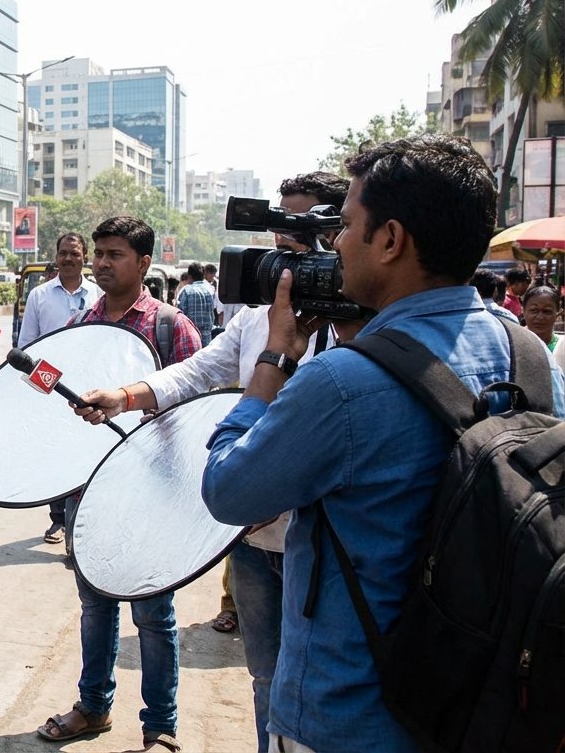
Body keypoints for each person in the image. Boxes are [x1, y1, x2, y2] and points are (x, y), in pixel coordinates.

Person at [202, 134, 565, 752]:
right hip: (487, 707)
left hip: (350, 717)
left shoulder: (342, 382)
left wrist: (272, 362)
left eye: (344, 226)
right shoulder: (532, 357)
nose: (334, 244)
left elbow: (229, 490)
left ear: (391, 240)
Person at [74, 172, 349, 752]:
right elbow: (199, 373)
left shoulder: (362, 327)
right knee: (267, 675)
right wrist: (126, 395)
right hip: (249, 540)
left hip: (323, 539)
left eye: (302, 240)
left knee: (324, 683)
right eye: (279, 238)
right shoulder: (254, 319)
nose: (284, 255)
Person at [35, 216, 201, 751]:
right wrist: (25, 380)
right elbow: (53, 384)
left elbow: (196, 407)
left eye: (114, 255)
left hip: (150, 493)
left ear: (144, 264)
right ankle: (93, 707)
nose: (101, 263)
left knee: (153, 612)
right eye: (98, 254)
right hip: (87, 490)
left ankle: (160, 727)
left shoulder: (170, 326)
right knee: (95, 607)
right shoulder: (82, 323)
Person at [18, 232, 99, 545]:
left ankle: (81, 521)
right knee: (54, 454)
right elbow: (27, 346)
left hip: (91, 386)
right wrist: (44, 388)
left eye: (74, 254)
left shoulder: (97, 294)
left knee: (86, 453)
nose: (68, 259)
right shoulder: (40, 296)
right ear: (56, 255)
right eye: (63, 253)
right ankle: (58, 521)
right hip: (51, 387)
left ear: (84, 258)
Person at [521, 285, 565, 369]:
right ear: (523, 311)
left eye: (547, 311)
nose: (540, 317)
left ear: (558, 313)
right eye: (534, 310)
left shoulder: (562, 346)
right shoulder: (510, 344)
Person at [176, 261, 216, 345]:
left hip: (191, 337)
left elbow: (180, 315)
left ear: (189, 276)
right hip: (207, 337)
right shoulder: (209, 290)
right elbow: (212, 312)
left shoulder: (186, 291)